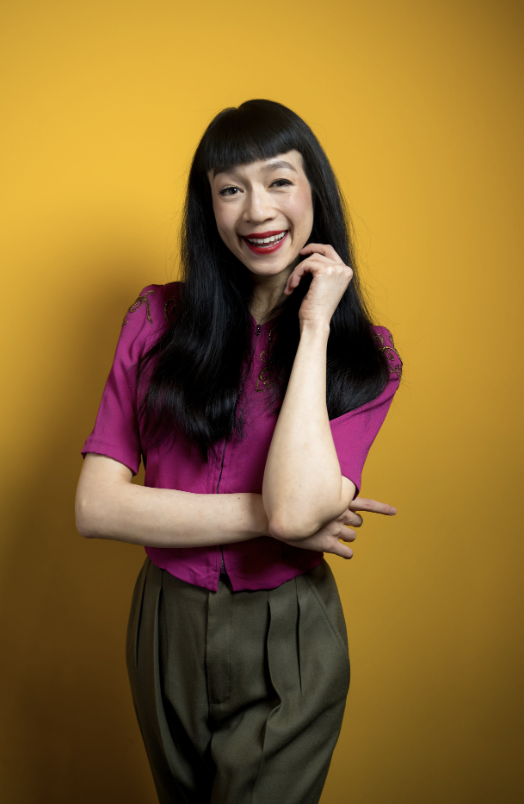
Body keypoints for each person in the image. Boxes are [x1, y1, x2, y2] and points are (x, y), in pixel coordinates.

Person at [75, 98, 402, 804]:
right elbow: (96, 507)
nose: (257, 210)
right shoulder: (154, 320)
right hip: (163, 624)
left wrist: (315, 325)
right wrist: (276, 519)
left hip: (289, 628)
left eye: (279, 181)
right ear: (209, 208)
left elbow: (295, 513)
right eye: (231, 189)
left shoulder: (364, 360)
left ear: (315, 191)